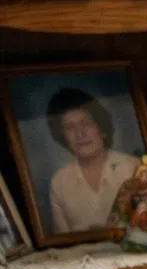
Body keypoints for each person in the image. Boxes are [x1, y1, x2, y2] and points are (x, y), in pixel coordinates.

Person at [43, 89, 139, 234]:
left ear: (101, 127)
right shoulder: (59, 181)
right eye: (70, 127)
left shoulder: (134, 167)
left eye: (86, 123)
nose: (80, 134)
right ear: (62, 136)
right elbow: (62, 240)